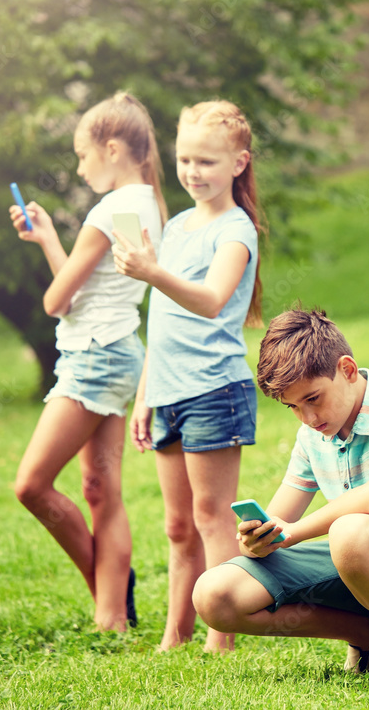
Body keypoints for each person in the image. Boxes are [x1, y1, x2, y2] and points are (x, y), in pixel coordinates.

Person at [190, 308, 369, 690]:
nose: (308, 418)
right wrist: (258, 540)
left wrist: (291, 533)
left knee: (351, 531)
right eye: (293, 407)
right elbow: (279, 517)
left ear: (346, 369)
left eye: (313, 398)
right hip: (358, 564)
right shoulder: (313, 436)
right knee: (215, 595)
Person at [10, 91, 167, 631]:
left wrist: (55, 262)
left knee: (31, 484)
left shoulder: (110, 209)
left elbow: (56, 301)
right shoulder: (146, 201)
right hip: (118, 350)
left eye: (83, 155)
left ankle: (111, 593)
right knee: (101, 492)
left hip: (94, 357)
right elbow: (79, 292)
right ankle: (112, 613)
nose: (80, 167)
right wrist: (51, 237)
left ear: (113, 148)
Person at [112, 100, 265, 653]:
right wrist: (145, 396)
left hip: (214, 391)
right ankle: (174, 635)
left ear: (238, 163)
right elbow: (164, 320)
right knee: (178, 526)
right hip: (169, 391)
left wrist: (152, 272)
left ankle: (220, 637)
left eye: (206, 161)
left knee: (210, 517)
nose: (193, 171)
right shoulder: (176, 227)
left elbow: (209, 300)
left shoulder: (236, 229)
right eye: (184, 159)